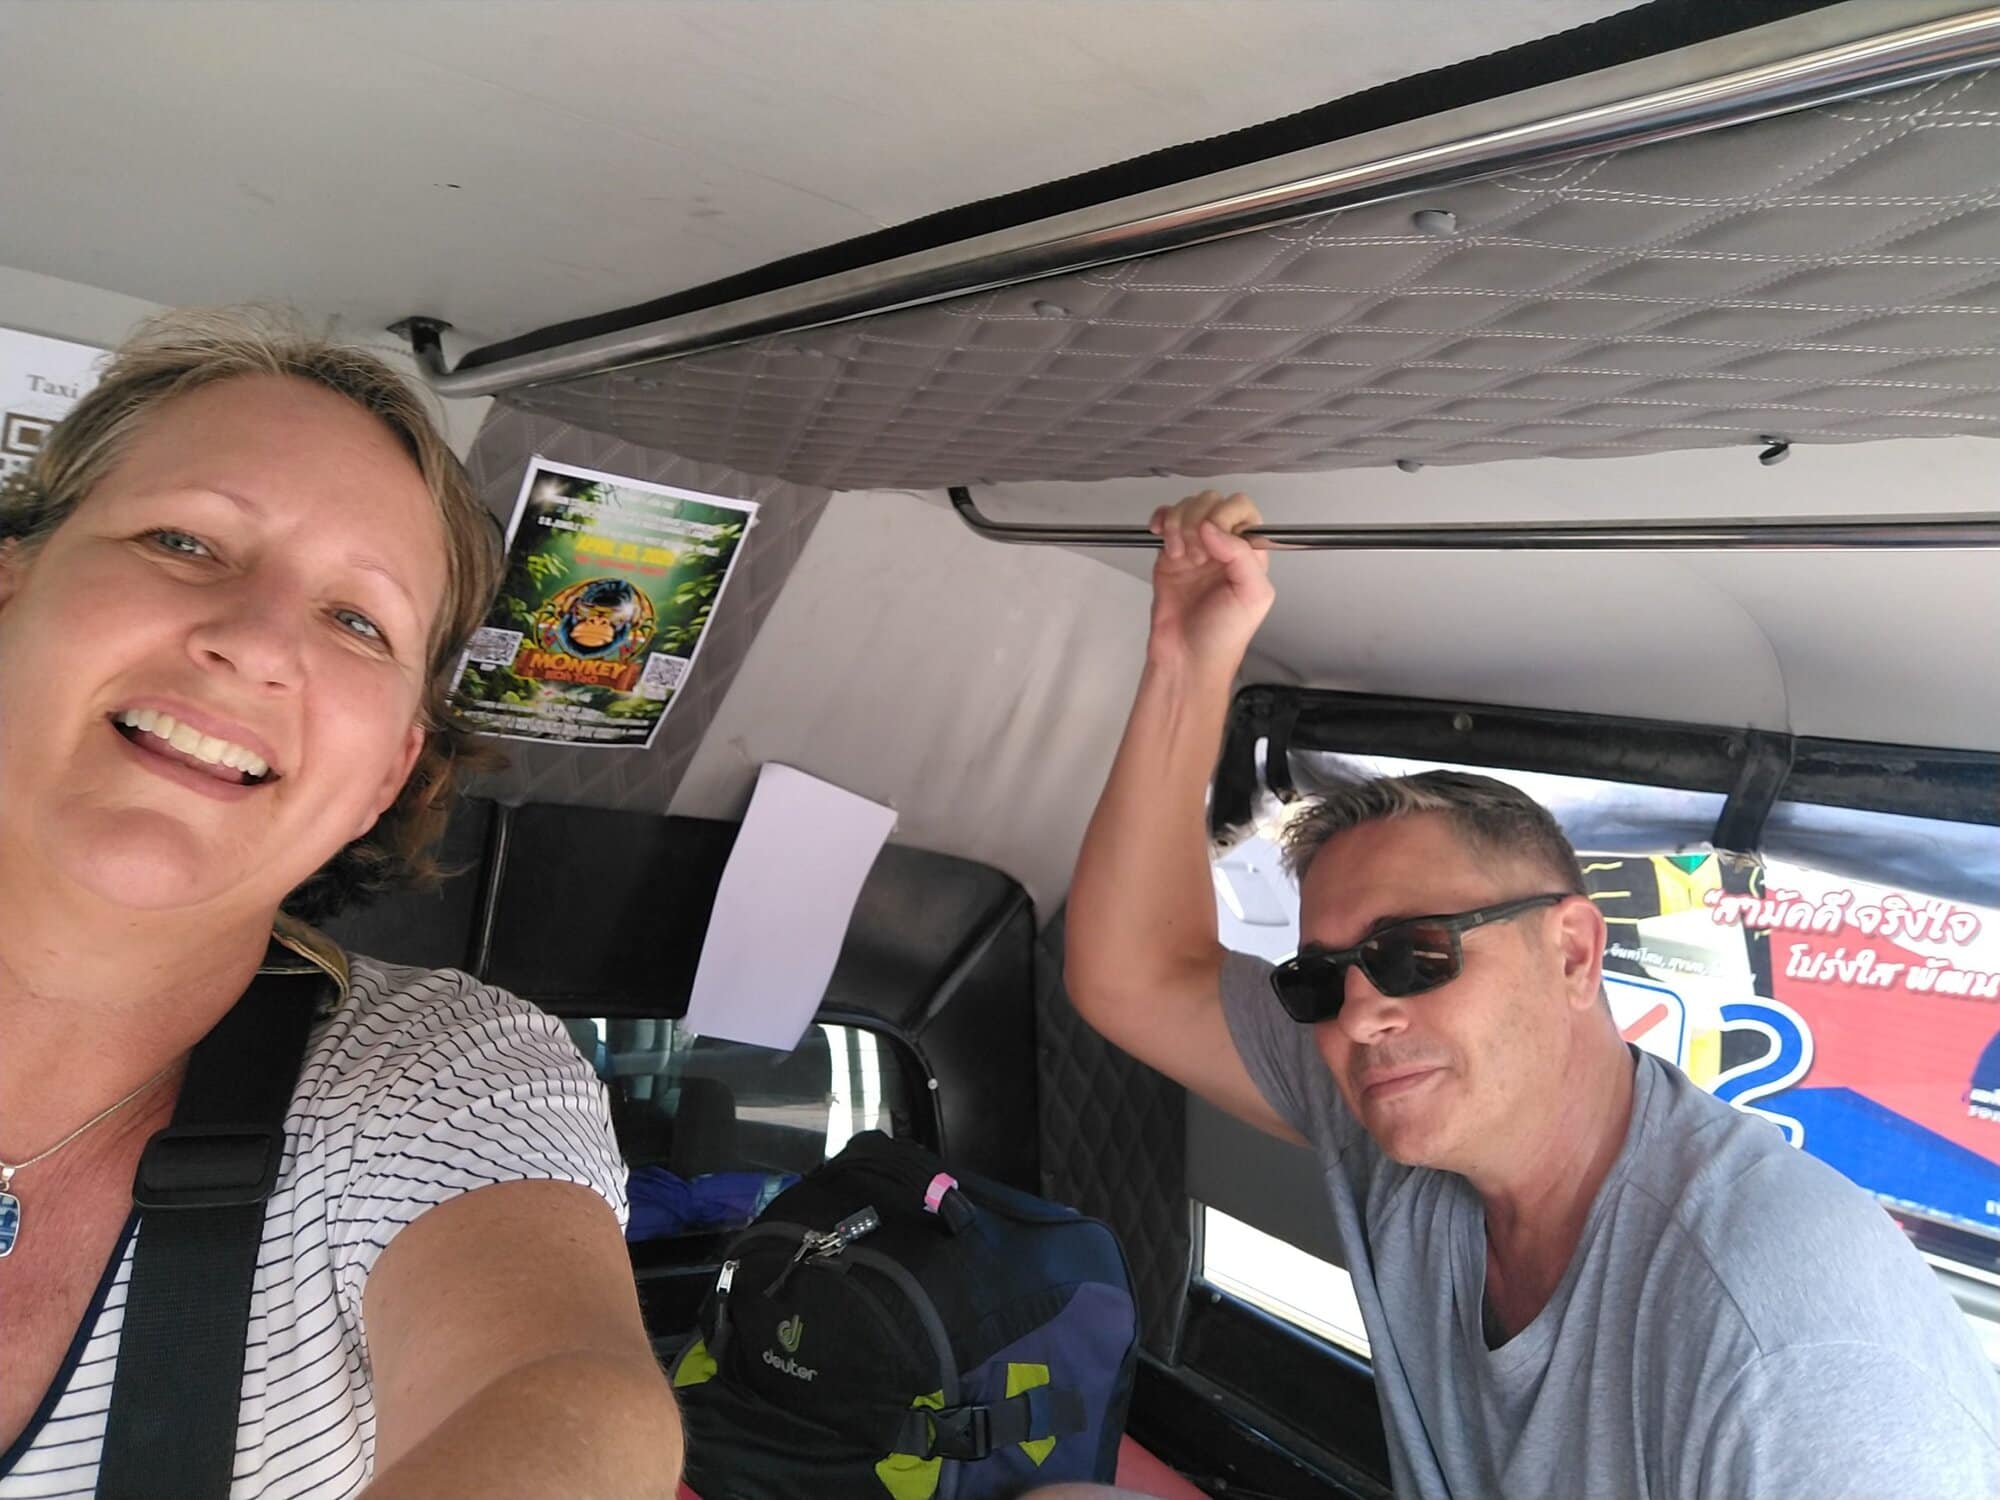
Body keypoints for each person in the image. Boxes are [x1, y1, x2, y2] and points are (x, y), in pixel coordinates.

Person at [1055, 491, 2000, 1498]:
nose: (1360, 1012)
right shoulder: (1402, 1130)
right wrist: (1184, 659)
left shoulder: (1788, 1354)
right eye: (1318, 979)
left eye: (1414, 953)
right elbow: (1134, 973)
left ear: (1573, 954)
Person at [0, 310, 682, 1498]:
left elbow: (569, 1397)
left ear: (387, 775)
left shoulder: (440, 1078)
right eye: (184, 541)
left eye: (357, 620)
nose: (257, 643)